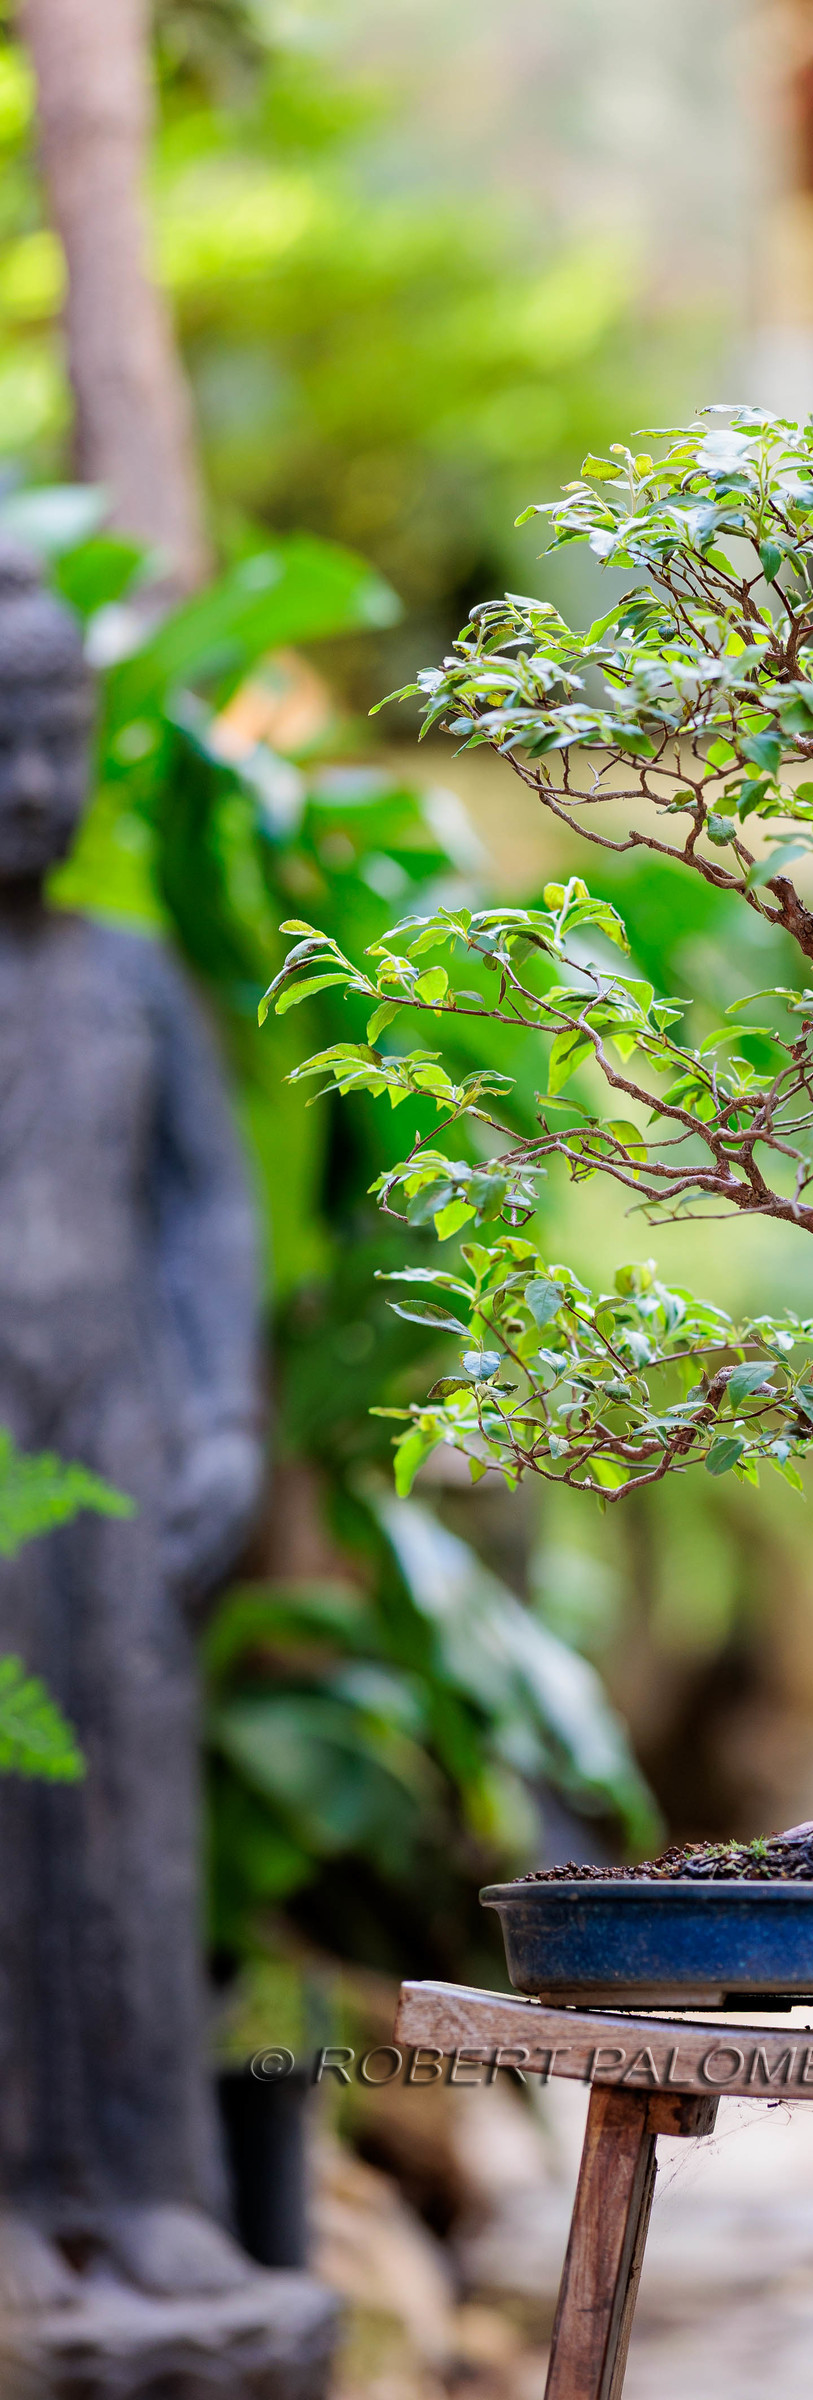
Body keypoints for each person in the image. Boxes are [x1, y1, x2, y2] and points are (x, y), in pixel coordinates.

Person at [0, 537, 264, 2312]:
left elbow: (210, 1206)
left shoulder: (132, 977)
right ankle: (16, 2197)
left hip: (123, 1441)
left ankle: (155, 2181)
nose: (33, 783)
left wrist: (226, 1415)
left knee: (134, 1826)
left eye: (59, 740)